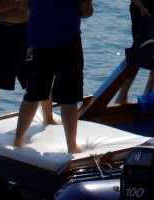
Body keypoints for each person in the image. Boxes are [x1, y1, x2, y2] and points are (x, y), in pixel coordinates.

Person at [13, 0, 94, 155]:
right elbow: (86, 11)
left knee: (33, 93)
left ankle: (18, 140)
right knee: (69, 96)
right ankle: (71, 145)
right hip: (67, 40)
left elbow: (24, 4)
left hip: (38, 39)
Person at [0, 0, 56, 134]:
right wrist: (14, 3)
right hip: (2, 29)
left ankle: (48, 118)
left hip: (27, 28)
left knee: (41, 72)